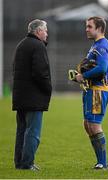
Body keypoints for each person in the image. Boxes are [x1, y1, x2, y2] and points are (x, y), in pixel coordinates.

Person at [12, 19, 52, 170]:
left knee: (21, 131)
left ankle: (19, 163)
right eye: (45, 30)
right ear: (38, 31)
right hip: (34, 98)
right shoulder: (38, 46)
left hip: (20, 97)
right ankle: (27, 164)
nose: (47, 34)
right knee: (33, 133)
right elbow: (41, 73)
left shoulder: (21, 45)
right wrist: (48, 88)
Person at [75, 16, 108, 170]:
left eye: (90, 26)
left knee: (94, 125)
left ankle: (103, 163)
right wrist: (80, 73)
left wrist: (83, 75)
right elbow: (92, 66)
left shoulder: (102, 45)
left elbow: (102, 68)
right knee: (87, 125)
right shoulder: (95, 45)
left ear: (99, 28)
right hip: (92, 89)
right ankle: (100, 161)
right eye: (86, 26)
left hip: (98, 90)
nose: (87, 29)